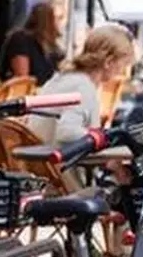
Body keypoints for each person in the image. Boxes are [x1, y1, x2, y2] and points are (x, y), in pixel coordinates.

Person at [27, 24, 136, 191]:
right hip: (62, 183)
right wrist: (104, 139)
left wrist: (111, 162)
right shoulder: (83, 87)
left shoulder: (61, 79)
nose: (123, 71)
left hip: (40, 174)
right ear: (109, 62)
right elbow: (67, 132)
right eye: (123, 64)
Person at [0, 0, 62, 84]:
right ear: (48, 20)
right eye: (59, 18)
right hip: (26, 94)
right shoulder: (20, 40)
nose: (61, 22)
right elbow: (22, 79)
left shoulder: (53, 48)